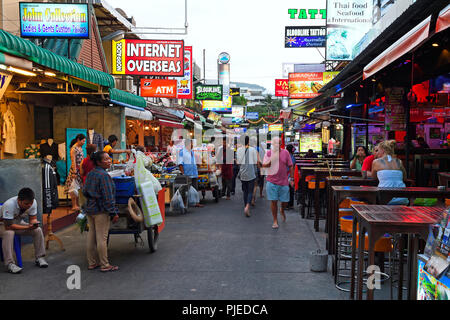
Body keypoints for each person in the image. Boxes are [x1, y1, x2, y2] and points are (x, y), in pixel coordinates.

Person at [82, 151, 120, 272]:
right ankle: (105, 264)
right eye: (106, 159)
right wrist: (113, 212)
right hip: (100, 210)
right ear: (98, 162)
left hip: (90, 209)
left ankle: (92, 262)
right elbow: (108, 197)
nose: (109, 161)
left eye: (109, 158)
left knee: (91, 236)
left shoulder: (91, 174)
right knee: (102, 238)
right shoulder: (104, 176)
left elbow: (84, 191)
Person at [0, 188, 48, 273]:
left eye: (31, 203)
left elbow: (32, 218)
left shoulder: (33, 203)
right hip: (3, 224)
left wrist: (34, 224)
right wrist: (27, 227)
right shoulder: (9, 204)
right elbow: (8, 226)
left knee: (38, 230)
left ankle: (40, 257)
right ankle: (10, 264)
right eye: (26, 204)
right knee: (9, 233)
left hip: (17, 222)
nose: (29, 205)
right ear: (19, 200)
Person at [262, 137, 294, 229]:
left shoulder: (286, 153)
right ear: (272, 144)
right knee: (274, 201)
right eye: (275, 143)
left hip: (284, 181)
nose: (277, 145)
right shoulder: (268, 153)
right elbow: (264, 165)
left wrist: (291, 178)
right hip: (271, 181)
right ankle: (275, 220)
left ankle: (282, 209)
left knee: (285, 201)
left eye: (279, 143)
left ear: (281, 144)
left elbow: (291, 166)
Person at [371, 140, 409, 205]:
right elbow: (404, 178)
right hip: (402, 198)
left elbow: (374, 177)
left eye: (378, 150)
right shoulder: (399, 161)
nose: (377, 153)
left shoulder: (376, 162)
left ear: (383, 150)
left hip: (385, 199)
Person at [236, 136, 261, 217]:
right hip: (251, 173)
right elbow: (255, 161)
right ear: (248, 141)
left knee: (245, 191)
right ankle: (247, 206)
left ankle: (245, 206)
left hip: (243, 173)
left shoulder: (239, 150)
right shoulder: (252, 150)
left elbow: (238, 163)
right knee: (250, 191)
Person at [178, 139, 203, 207]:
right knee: (185, 189)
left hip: (194, 172)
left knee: (195, 188)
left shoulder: (192, 151)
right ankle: (185, 202)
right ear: (187, 144)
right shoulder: (182, 152)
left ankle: (196, 202)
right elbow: (180, 164)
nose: (192, 145)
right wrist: (183, 173)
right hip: (187, 173)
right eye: (191, 144)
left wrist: (197, 164)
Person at [65, 134, 86, 212]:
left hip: (80, 169)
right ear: (78, 140)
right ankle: (74, 205)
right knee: (73, 188)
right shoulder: (73, 149)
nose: (84, 142)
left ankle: (78, 204)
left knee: (79, 187)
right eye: (83, 141)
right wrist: (74, 172)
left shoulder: (80, 148)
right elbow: (73, 161)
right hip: (75, 170)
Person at [286, 144, 297, 210]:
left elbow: (291, 167)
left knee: (287, 190)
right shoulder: (292, 157)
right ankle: (290, 204)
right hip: (290, 175)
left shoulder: (287, 156)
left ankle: (287, 204)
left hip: (288, 175)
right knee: (290, 190)